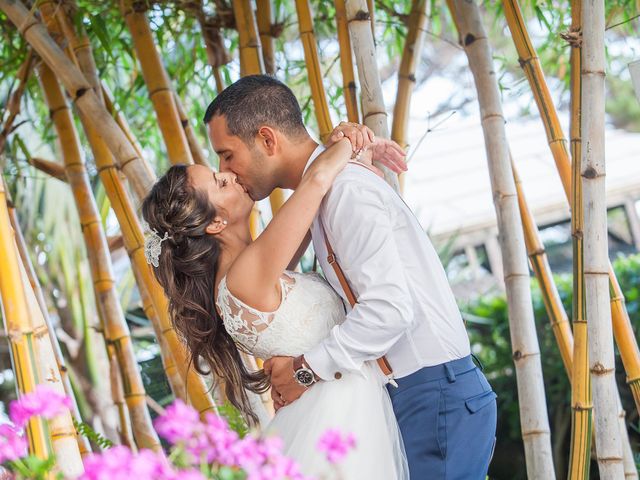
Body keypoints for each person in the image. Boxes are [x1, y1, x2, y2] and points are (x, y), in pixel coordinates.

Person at [205, 75, 497, 479]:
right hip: (409, 395)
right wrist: (345, 148)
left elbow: (389, 310)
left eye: (227, 155)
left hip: (432, 394)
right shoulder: (322, 195)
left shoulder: (345, 193)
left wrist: (306, 370)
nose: (227, 170)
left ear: (268, 140)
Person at [142, 135, 409, 477]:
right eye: (220, 182)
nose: (232, 175)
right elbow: (316, 180)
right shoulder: (244, 277)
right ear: (215, 223)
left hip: (331, 407)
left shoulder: (250, 268)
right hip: (337, 413)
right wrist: (347, 137)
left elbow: (311, 205)